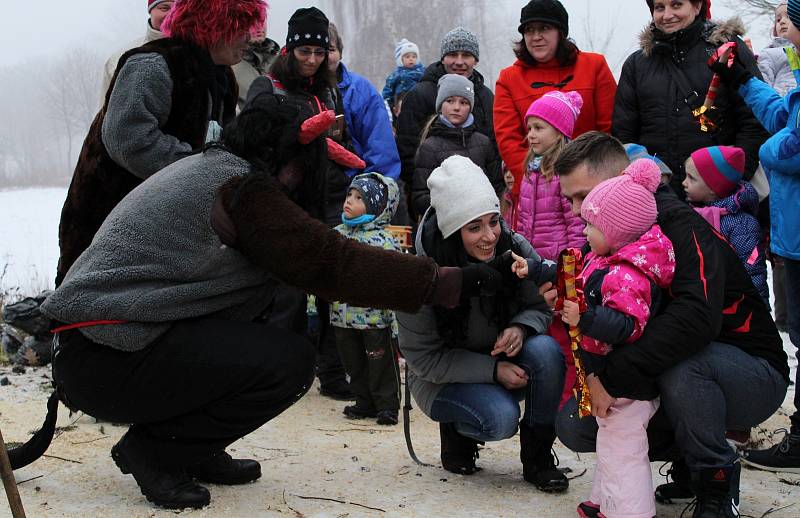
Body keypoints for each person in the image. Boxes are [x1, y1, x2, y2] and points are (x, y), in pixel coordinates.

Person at [10, 94, 512, 509]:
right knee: (287, 363)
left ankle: (191, 447)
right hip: (105, 352)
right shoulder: (240, 188)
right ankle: (155, 452)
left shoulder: (216, 172)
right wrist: (447, 283)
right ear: (290, 158)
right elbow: (329, 261)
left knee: (263, 336)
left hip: (101, 351)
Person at [553, 132, 788, 517]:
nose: (579, 211)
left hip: (753, 373)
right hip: (688, 371)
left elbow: (696, 321)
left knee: (684, 365)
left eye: (584, 195)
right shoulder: (611, 233)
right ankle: (684, 459)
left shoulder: (680, 226)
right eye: (572, 200)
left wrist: (613, 380)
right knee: (577, 425)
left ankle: (715, 480)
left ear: (621, 178)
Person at [398, 155, 569, 492]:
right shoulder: (420, 278)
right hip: (443, 378)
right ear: (451, 231)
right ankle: (456, 429)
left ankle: (537, 458)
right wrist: (493, 371)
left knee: (547, 351)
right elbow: (425, 360)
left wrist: (520, 327)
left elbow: (541, 305)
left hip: (500, 354)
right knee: (500, 420)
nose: (490, 236)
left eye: (494, 221)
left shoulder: (513, 246)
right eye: (474, 227)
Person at [57, 0, 255, 286]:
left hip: (159, 222)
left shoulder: (222, 78)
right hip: (107, 221)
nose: (249, 37)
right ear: (214, 26)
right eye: (241, 28)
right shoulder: (152, 64)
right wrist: (201, 168)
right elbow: (129, 140)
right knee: (91, 309)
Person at [710, 0, 800, 475]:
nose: (783, 25)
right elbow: (785, 114)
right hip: (792, 231)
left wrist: (761, 149)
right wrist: (745, 81)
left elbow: (789, 144)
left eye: (791, 18)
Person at [247, 6, 355, 400]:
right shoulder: (267, 86)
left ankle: (332, 372)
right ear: (289, 50)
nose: (311, 60)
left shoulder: (329, 90)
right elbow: (252, 148)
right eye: (304, 51)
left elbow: (342, 141)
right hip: (283, 203)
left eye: (318, 51)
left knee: (330, 287)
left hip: (328, 201)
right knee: (286, 295)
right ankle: (279, 374)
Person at [559, 159, 675, 518]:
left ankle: (631, 511)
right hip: (614, 375)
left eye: (592, 225)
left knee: (624, 449)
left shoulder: (627, 275)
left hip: (628, 382)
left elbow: (627, 325)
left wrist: (586, 317)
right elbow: (576, 268)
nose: (586, 230)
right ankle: (605, 500)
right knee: (609, 441)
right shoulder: (606, 259)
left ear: (619, 230)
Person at [613, 0, 768, 198]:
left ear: (697, 7)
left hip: (719, 198)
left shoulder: (727, 51)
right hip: (658, 199)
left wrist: (731, 183)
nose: (667, 15)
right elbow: (624, 135)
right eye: (659, 7)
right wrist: (647, 189)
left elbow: (754, 121)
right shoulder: (636, 64)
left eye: (676, 5)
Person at [494, 0, 617, 205]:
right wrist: (536, 185)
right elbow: (509, 142)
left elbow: (609, 129)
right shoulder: (508, 79)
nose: (536, 37)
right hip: (538, 195)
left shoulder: (595, 66)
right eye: (529, 30)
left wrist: (592, 180)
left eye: (544, 28)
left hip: (592, 187)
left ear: (561, 32)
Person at [396, 26, 499, 220]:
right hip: (434, 208)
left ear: (475, 60)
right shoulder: (420, 95)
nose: (459, 62)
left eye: (466, 55)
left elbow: (494, 149)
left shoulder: (486, 97)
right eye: (453, 54)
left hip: (481, 207)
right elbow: (407, 150)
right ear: (443, 57)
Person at [331, 173, 402, 426]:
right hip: (342, 315)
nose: (349, 201)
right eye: (349, 194)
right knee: (353, 361)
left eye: (359, 197)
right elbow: (319, 271)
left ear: (375, 206)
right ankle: (364, 401)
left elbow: (396, 282)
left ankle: (386, 405)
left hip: (374, 318)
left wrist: (395, 321)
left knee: (379, 360)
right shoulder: (336, 235)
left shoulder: (384, 241)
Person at [683, 146, 768, 305]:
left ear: (713, 188)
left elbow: (753, 269)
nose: (684, 183)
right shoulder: (692, 212)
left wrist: (757, 307)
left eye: (691, 178)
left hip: (732, 304)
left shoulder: (741, 224)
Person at [412, 74, 501, 217]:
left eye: (464, 102)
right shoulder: (429, 147)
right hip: (445, 227)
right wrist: (451, 203)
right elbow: (419, 197)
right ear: (440, 105)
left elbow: (497, 186)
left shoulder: (483, 143)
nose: (456, 107)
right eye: (450, 101)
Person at [511, 90, 586, 260]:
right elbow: (522, 221)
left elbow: (576, 227)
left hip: (559, 263)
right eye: (529, 128)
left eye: (538, 128)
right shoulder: (530, 171)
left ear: (559, 131)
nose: (530, 134)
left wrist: (571, 268)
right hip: (532, 261)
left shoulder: (566, 172)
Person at [757, 0, 795, 333]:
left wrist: (770, 148)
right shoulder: (770, 55)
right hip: (779, 147)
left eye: (789, 17)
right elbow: (771, 102)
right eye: (778, 18)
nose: (782, 23)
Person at [327, 23, 401, 183]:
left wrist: (368, 193)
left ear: (340, 53)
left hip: (355, 188)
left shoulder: (361, 90)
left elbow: (380, 150)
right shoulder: (295, 90)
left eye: (331, 49)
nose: (325, 56)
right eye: (319, 50)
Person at [99, 0, 172, 101]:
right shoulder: (119, 59)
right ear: (150, 10)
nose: (171, 14)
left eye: (178, 9)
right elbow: (103, 112)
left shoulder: (199, 54)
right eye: (165, 8)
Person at [231, 20, 280, 111]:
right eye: (253, 20)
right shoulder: (227, 65)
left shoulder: (281, 63)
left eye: (262, 19)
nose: (259, 26)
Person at [382, 38, 425, 116]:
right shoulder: (396, 75)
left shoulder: (422, 72)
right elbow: (388, 89)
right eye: (407, 57)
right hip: (401, 101)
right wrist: (387, 101)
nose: (411, 59)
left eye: (414, 56)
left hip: (418, 99)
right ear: (400, 59)